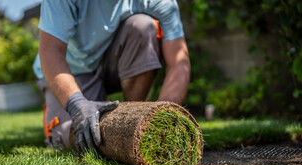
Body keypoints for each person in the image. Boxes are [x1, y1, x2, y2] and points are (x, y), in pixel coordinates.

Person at [34, 0, 190, 153]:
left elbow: (178, 62)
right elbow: (51, 51)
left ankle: (134, 121)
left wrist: (162, 118)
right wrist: (76, 104)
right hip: (72, 71)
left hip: (112, 62)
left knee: (143, 26)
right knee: (73, 138)